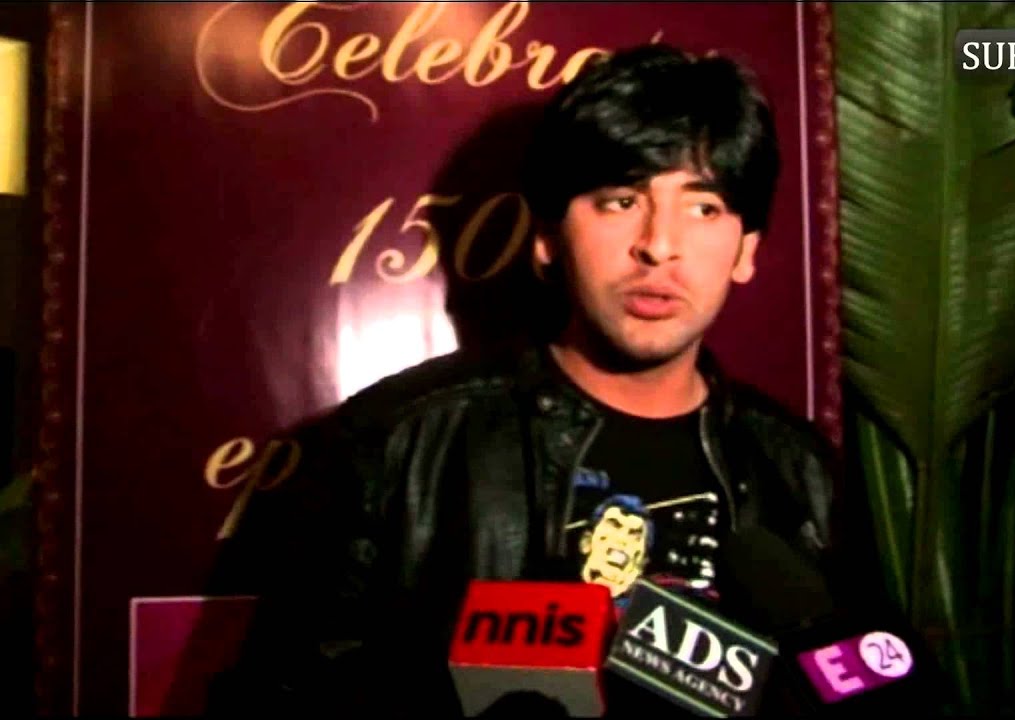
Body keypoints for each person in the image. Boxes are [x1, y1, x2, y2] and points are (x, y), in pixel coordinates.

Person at [210, 43, 929, 717]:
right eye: (621, 200)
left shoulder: (797, 469)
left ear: (745, 251)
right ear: (548, 237)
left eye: (703, 207)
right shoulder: (400, 443)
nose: (659, 245)